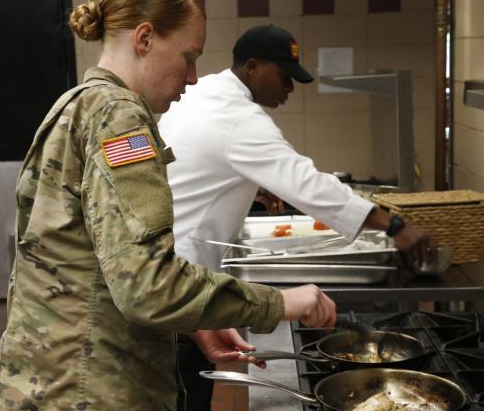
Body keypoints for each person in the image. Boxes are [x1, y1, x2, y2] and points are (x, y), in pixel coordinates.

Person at [0, 0, 338, 411]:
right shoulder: (119, 118)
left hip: (44, 377)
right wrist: (280, 302)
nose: (192, 77)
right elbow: (147, 286)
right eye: (188, 57)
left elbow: (95, 261)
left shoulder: (75, 103)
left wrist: (194, 321)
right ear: (145, 38)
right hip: (89, 388)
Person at [158, 24, 433, 409]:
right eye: (284, 77)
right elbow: (307, 183)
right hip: (181, 279)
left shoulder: (207, 92)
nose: (289, 88)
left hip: (164, 274)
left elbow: (203, 163)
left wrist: (255, 183)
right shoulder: (240, 118)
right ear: (252, 68)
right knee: (186, 392)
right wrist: (395, 226)